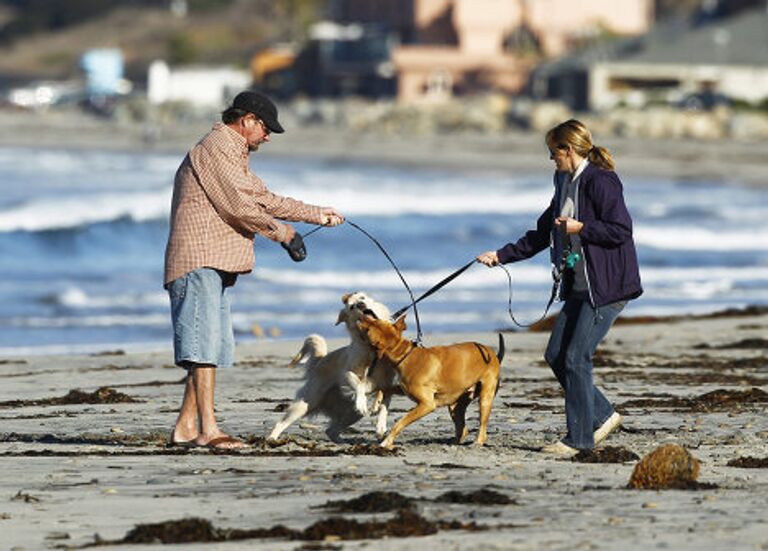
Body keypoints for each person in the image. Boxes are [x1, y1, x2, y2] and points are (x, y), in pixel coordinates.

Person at [164, 90, 344, 449]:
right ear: (247, 120)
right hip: (197, 259)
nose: (268, 137)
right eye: (266, 129)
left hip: (214, 262)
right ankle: (208, 431)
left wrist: (315, 214)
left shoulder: (234, 153)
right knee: (202, 348)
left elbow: (263, 198)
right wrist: (284, 234)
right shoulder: (216, 148)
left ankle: (186, 428)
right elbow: (238, 207)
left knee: (210, 347)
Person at [476, 119, 642, 456]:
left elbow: (620, 230)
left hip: (608, 286)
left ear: (568, 150)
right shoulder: (563, 180)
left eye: (554, 153)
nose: (551, 159)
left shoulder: (601, 181)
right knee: (555, 355)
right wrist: (502, 256)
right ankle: (603, 415)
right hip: (580, 284)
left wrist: (582, 227)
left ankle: (579, 439)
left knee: (576, 357)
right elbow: (543, 231)